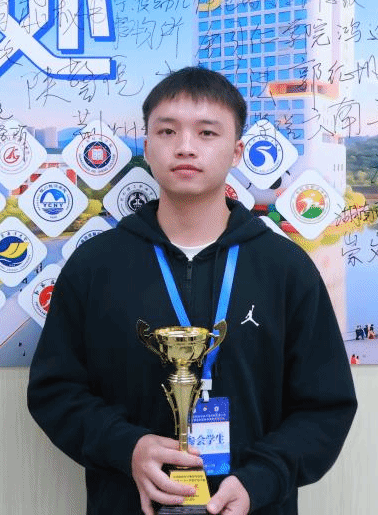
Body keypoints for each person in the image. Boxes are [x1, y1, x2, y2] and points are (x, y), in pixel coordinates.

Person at [27, 67, 357, 515]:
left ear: (236, 151)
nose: (185, 146)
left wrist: (262, 479)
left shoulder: (286, 269)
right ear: (147, 147)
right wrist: (127, 447)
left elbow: (326, 406)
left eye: (207, 132)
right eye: (167, 131)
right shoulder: (96, 265)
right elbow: (55, 390)